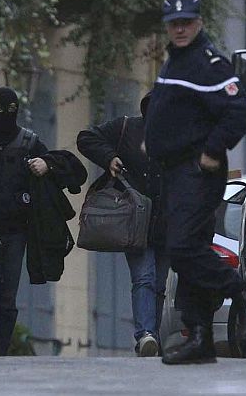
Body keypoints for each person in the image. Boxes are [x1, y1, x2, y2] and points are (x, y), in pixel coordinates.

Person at [144, 0, 246, 365]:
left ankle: (245, 296)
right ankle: (200, 337)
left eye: (186, 22)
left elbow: (239, 107)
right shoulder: (177, 61)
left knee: (182, 249)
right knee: (187, 251)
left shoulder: (207, 63)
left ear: (198, 23)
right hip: (175, 173)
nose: (180, 29)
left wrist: (213, 150)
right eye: (173, 23)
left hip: (196, 174)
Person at [0, 87, 87, 357]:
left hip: (16, 232)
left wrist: (47, 163)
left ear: (16, 112)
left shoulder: (29, 143)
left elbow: (75, 171)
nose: (3, 116)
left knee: (6, 297)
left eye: (9, 111)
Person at [77, 92, 168, 357]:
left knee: (159, 285)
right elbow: (86, 138)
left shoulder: (178, 136)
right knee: (144, 278)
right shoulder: (127, 128)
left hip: (167, 222)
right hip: (135, 220)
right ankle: (145, 335)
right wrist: (109, 158)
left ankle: (154, 336)